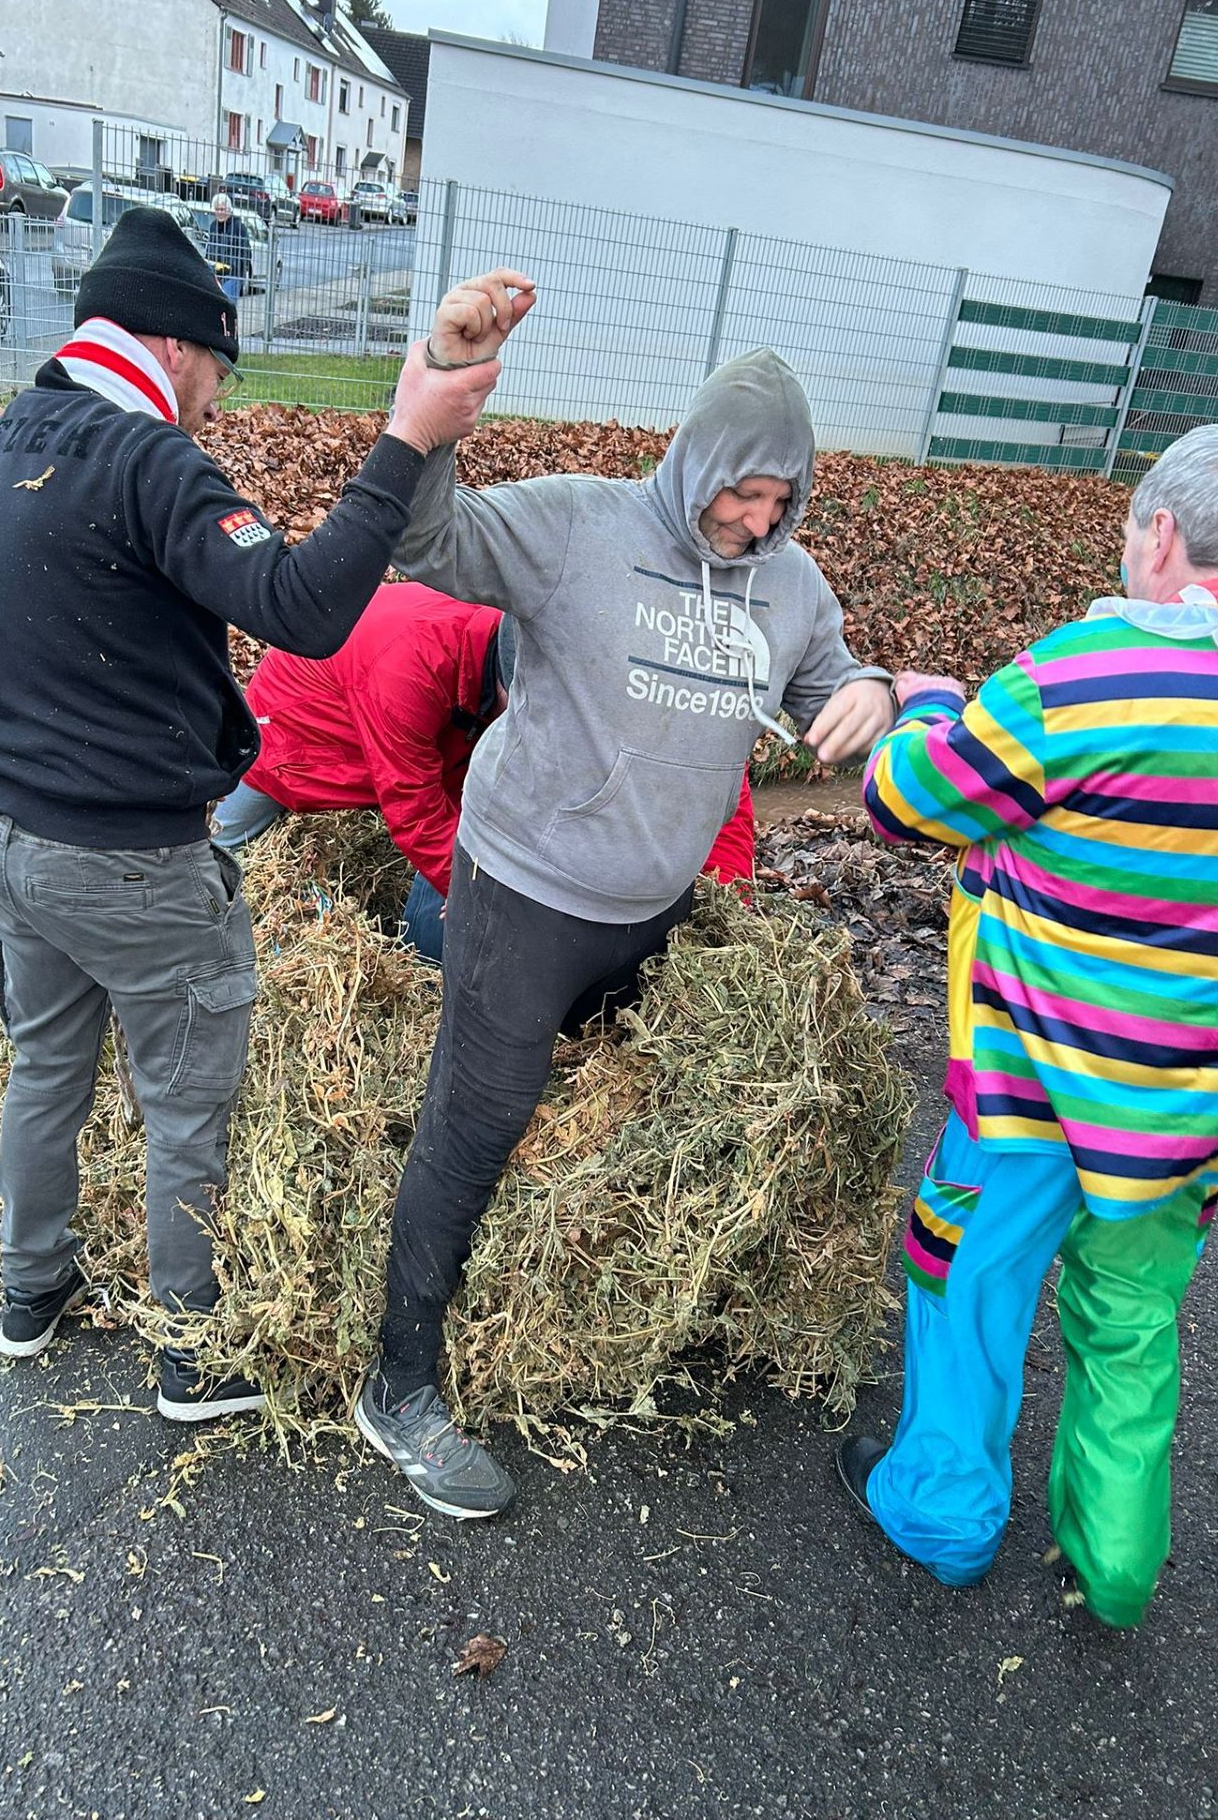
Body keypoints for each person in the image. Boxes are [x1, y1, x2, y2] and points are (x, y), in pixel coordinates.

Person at [0, 208, 531, 1419]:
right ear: (178, 345)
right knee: (185, 1096)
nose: (214, 399)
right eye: (218, 368)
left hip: (5, 843)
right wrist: (406, 441)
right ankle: (191, 1357)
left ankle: (28, 1293)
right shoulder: (146, 459)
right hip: (133, 861)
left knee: (48, 1065)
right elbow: (304, 608)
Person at [351, 281, 898, 1518]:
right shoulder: (577, 530)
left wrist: (873, 693)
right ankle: (400, 1385)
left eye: (779, 502)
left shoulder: (792, 585)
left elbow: (830, 688)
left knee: (588, 1095)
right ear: (694, 459)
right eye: (739, 493)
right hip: (525, 887)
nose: (755, 523)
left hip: (652, 902)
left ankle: (531, 1282)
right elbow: (425, 542)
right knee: (478, 1117)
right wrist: (441, 392)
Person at [836, 422, 1218, 1629]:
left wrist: (931, 697)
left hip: (1039, 1085)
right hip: (1204, 1103)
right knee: (1133, 1315)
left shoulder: (1089, 671)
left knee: (969, 1278)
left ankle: (941, 1514)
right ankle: (1116, 1562)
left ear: (1161, 533)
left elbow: (906, 799)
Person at [210, 582, 758, 960]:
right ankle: (184, 930)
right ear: (502, 686)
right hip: (295, 721)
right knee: (225, 840)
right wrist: (475, 894)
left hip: (419, 711)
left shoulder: (509, 651)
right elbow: (412, 805)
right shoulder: (412, 669)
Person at [206, 192, 251, 305]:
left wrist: (233, 266)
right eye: (217, 209)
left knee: (227, 305)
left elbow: (246, 252)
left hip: (232, 274)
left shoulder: (239, 227)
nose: (220, 212)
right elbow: (209, 248)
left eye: (222, 209)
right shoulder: (213, 226)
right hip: (215, 273)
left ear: (229, 210)